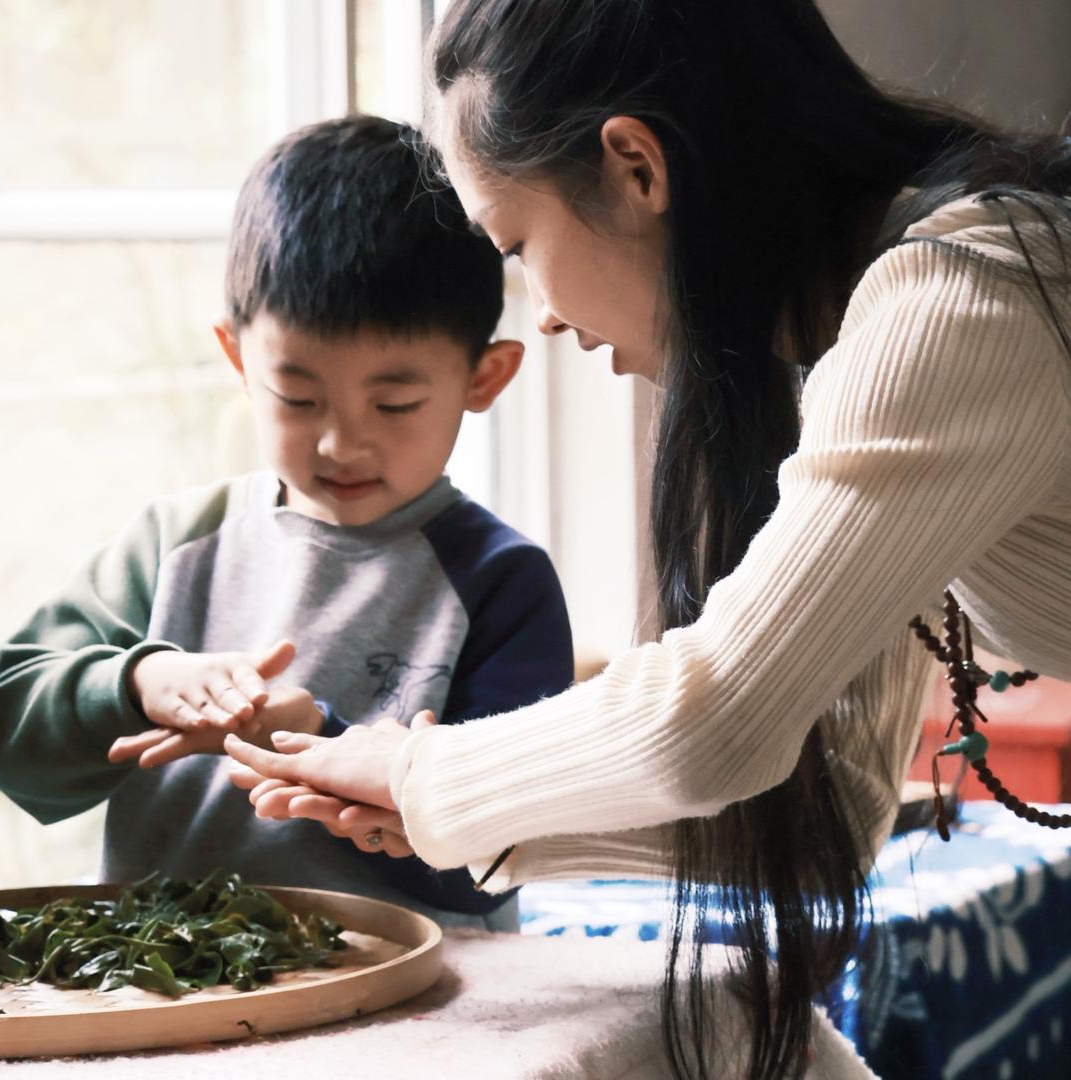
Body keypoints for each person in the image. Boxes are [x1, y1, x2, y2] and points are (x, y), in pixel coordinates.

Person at [223, 2, 1071, 1076]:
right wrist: (451, 813)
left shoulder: (959, 302)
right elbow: (831, 810)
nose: (540, 318)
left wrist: (426, 772)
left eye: (517, 244)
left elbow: (712, 718)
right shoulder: (871, 323)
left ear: (633, 166)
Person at [0, 114, 574, 932]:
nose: (340, 442)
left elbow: (501, 861)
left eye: (395, 402)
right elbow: (10, 734)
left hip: (419, 1013)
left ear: (486, 377)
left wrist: (326, 747)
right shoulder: (175, 545)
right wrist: (135, 685)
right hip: (171, 992)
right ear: (237, 358)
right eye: (298, 398)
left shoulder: (501, 584)